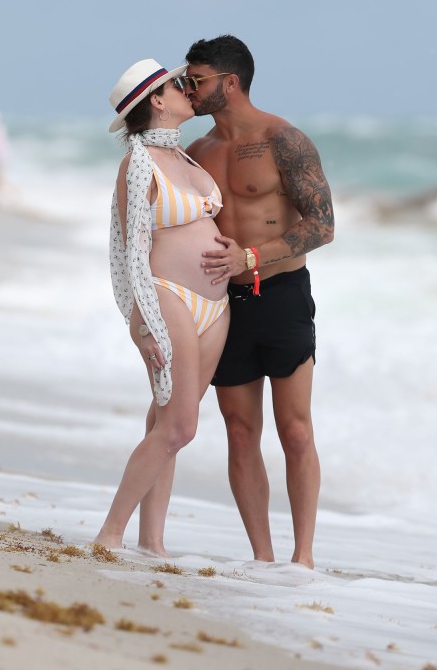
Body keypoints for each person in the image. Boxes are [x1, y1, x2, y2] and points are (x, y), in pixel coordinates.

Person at [183, 36, 334, 569]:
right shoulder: (196, 152)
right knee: (240, 430)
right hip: (224, 303)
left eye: (196, 80)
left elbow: (323, 225)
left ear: (230, 82)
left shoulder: (284, 140)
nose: (188, 89)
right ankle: (263, 559)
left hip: (282, 295)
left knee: (295, 429)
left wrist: (250, 256)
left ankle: (304, 557)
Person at [95, 59, 230, 553]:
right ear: (157, 100)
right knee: (180, 428)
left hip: (216, 308)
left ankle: (152, 543)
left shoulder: (187, 160)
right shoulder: (138, 163)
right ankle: (109, 535)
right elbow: (132, 248)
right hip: (168, 298)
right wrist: (144, 324)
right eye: (177, 85)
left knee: (165, 422)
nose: (186, 89)